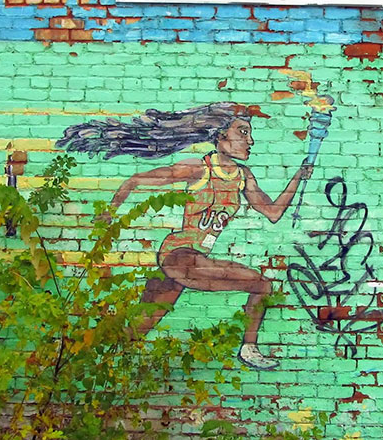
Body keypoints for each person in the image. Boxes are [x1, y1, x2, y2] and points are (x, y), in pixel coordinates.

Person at [57, 103, 312, 369]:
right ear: (220, 135)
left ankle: (77, 354)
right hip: (180, 256)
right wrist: (109, 213)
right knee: (262, 285)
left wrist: (297, 176)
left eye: (249, 134)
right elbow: (135, 180)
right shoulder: (199, 169)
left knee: (136, 329)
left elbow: (272, 212)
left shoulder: (243, 177)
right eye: (243, 132)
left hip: (191, 260)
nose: (251, 141)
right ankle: (249, 350)